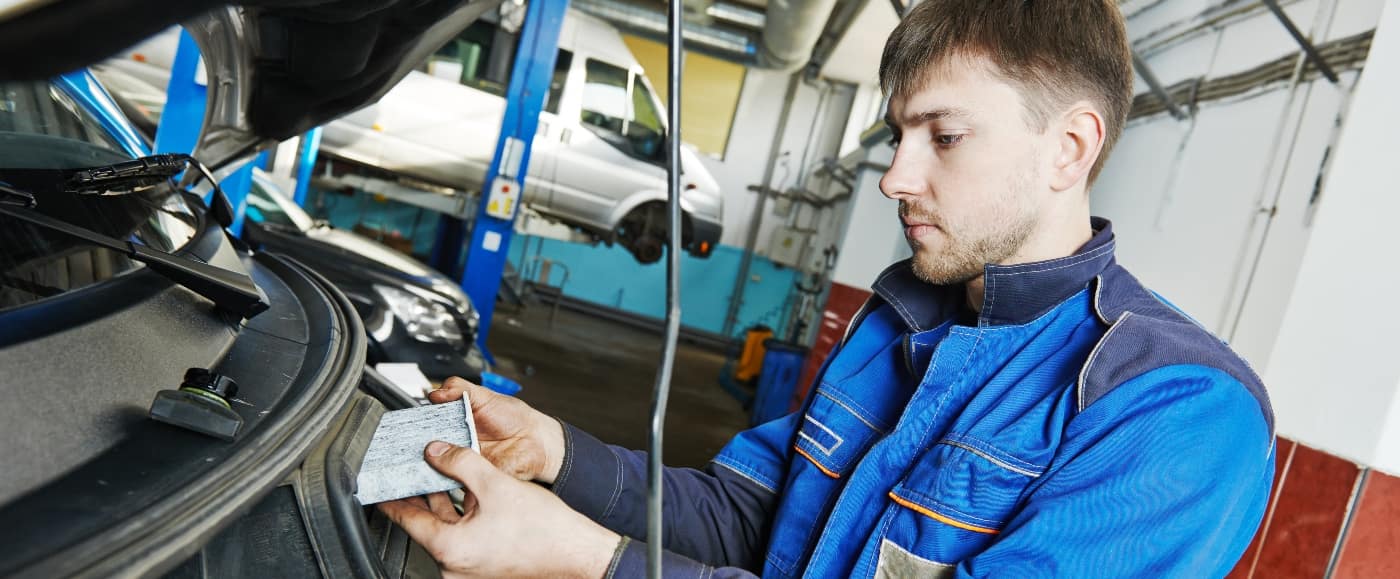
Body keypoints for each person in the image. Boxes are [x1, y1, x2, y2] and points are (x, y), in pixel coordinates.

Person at [380, 1, 1276, 576]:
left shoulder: (1179, 409)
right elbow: (750, 518)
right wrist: (561, 454)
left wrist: (585, 556)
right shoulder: (896, 324)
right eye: (897, 135)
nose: (894, 176)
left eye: (944, 137)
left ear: (1070, 148)